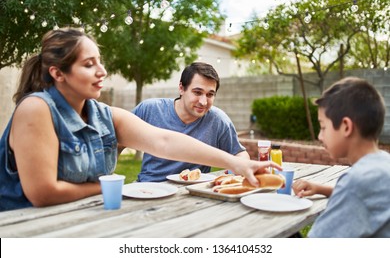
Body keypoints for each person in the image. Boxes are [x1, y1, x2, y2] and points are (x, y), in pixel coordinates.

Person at [0, 28, 281, 212]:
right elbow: (42, 194)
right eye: (88, 64)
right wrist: (116, 186)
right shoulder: (36, 109)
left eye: (99, 61)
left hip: (85, 219)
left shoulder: (104, 115)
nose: (102, 71)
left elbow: (164, 140)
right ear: (58, 73)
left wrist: (238, 162)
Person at [292, 77, 390, 237]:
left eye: (323, 127)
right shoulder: (383, 164)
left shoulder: (357, 182)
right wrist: (320, 189)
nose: (319, 136)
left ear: (346, 126)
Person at [133, 62, 249, 182]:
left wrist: (234, 172)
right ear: (181, 88)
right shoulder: (149, 109)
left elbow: (240, 154)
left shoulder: (218, 120)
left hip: (193, 193)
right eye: (197, 92)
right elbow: (116, 142)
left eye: (210, 94)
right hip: (148, 189)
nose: (203, 102)